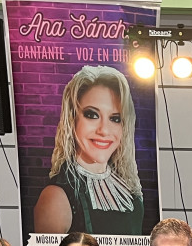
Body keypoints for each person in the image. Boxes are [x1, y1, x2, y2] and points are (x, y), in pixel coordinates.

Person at [33, 65, 144, 236]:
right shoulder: (56, 196)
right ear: (72, 119)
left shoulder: (130, 191)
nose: (104, 130)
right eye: (92, 115)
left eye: (115, 118)